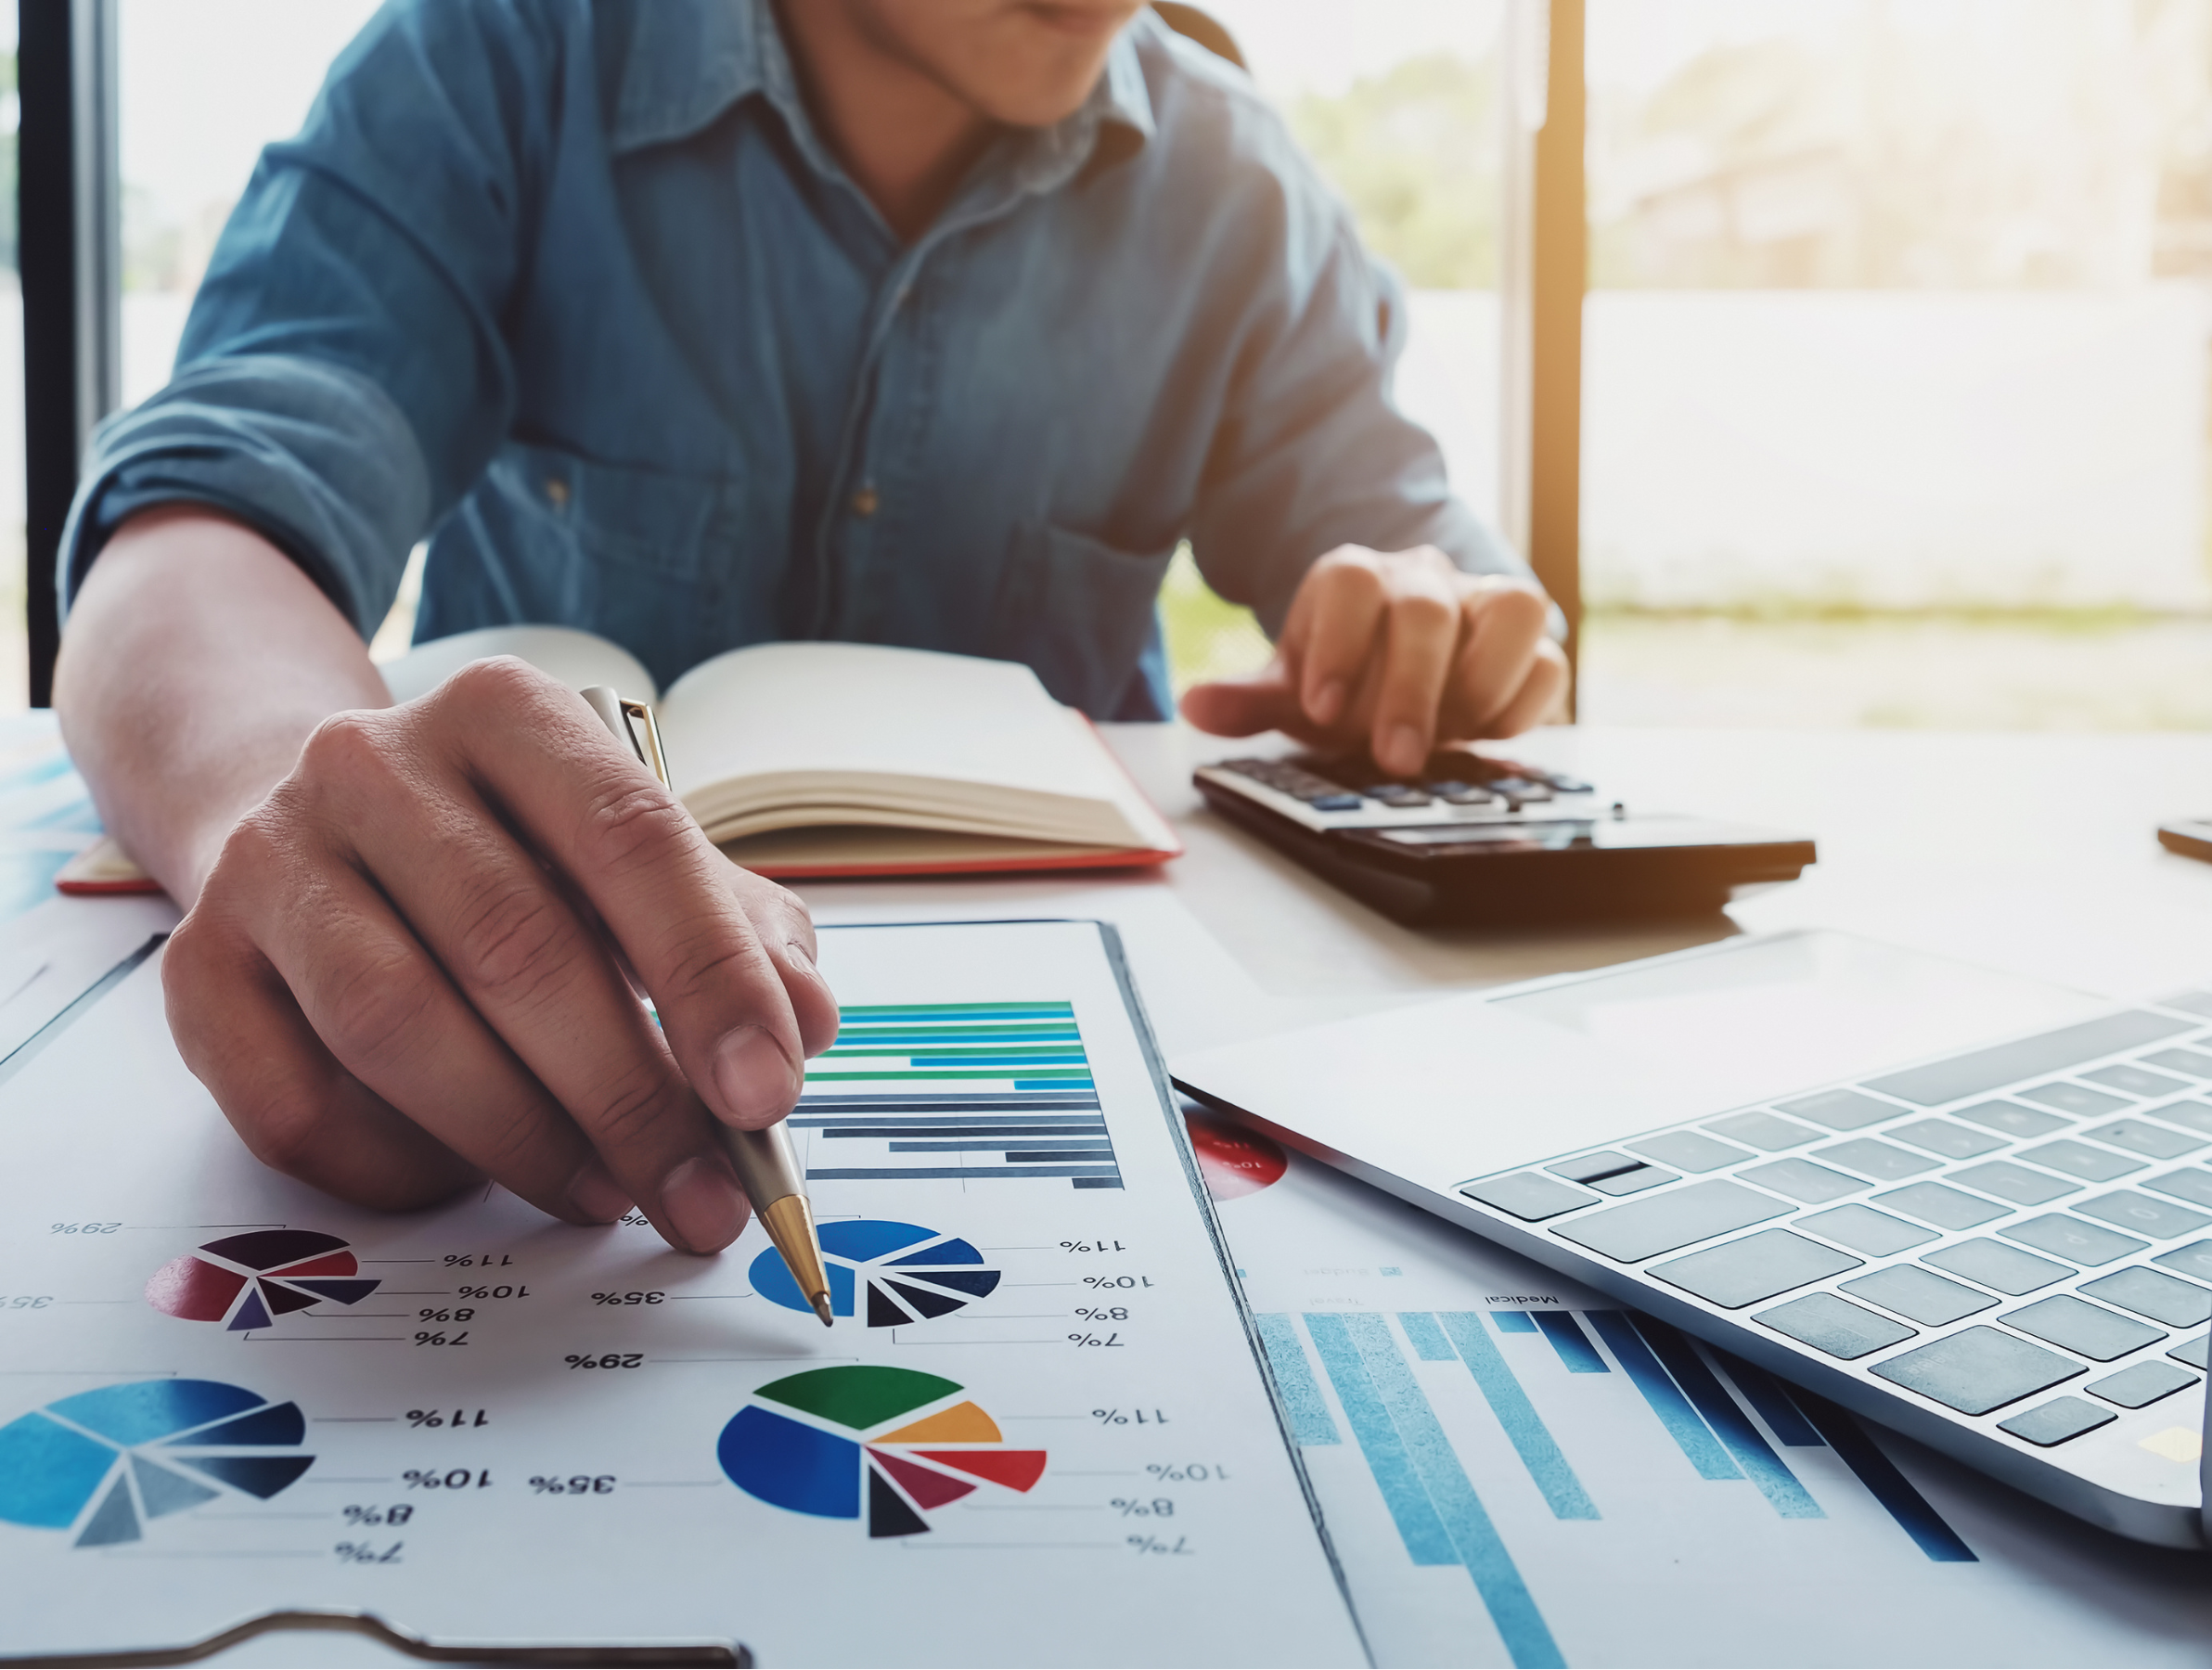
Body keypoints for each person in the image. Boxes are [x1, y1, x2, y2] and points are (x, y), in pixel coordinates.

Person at [51, 0, 1567, 1256]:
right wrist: (292, 811)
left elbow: (1446, 578)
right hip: (546, 1030)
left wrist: (1448, 638)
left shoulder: (1236, 183)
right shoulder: (497, 55)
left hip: (1100, 1053)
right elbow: (203, 516)